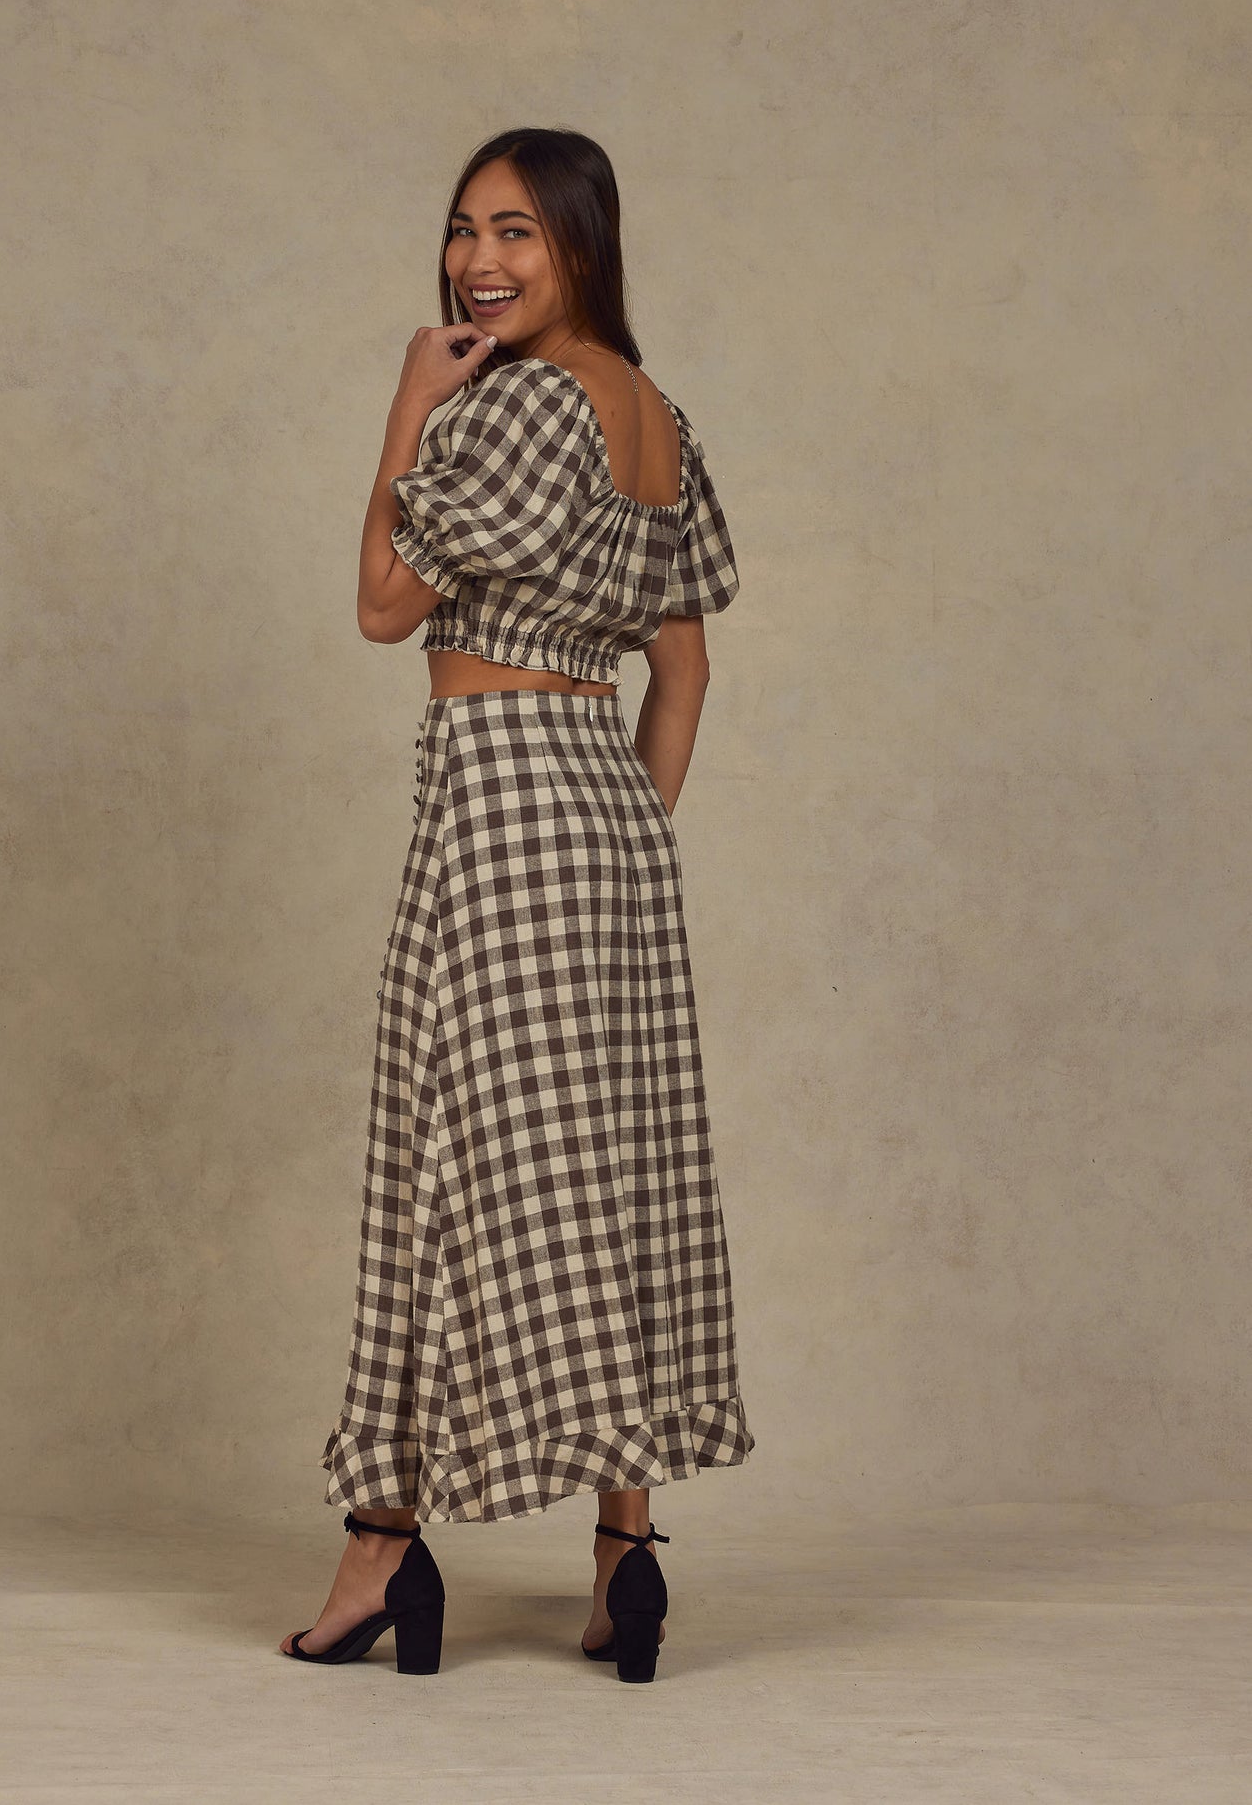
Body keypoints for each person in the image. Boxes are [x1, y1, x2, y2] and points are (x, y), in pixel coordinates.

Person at [282, 127, 754, 1684]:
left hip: (497, 794)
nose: (475, 262)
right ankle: (626, 1557)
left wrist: (407, 406)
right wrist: (614, 842)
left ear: (579, 247)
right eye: (461, 228)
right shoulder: (656, 417)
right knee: (609, 1175)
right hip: (608, 820)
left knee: (437, 1165)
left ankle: (381, 1542)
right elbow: (681, 673)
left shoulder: (514, 405)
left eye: (515, 235)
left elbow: (381, 608)